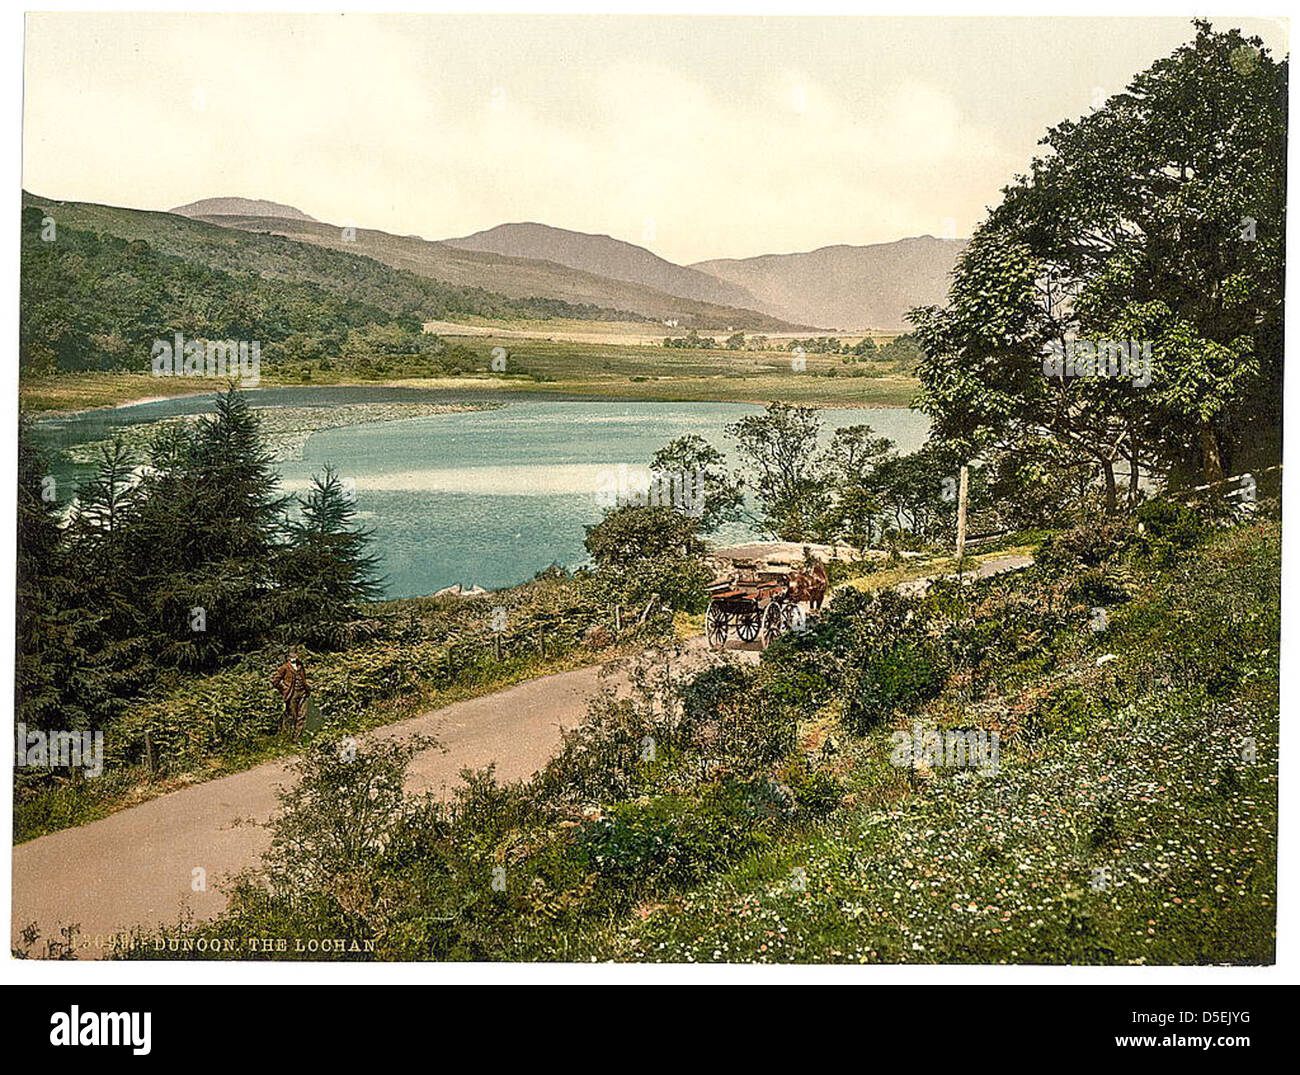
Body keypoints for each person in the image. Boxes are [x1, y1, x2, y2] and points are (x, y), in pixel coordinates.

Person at [271, 647, 311, 740]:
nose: (294, 657)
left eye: (295, 655)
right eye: (291, 656)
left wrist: (307, 685)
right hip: (291, 694)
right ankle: (285, 735)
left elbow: (303, 677)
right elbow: (275, 681)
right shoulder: (284, 667)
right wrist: (283, 689)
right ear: (288, 656)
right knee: (291, 715)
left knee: (302, 715)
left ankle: (296, 738)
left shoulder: (300, 665)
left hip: (303, 693)